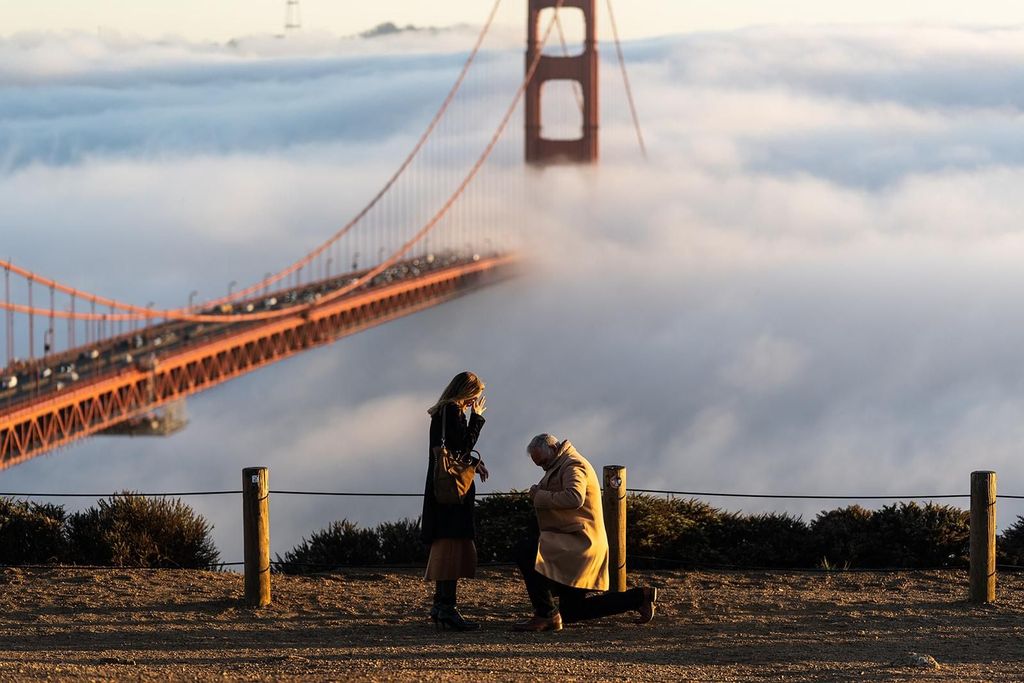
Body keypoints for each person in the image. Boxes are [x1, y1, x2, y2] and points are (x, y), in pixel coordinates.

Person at [513, 434, 657, 631]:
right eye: (539, 465)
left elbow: (574, 497)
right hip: (574, 543)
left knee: (527, 550)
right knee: (572, 611)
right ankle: (640, 597)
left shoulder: (573, 465)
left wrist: (540, 495)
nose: (543, 468)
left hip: (579, 546)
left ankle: (546, 614)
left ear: (554, 449)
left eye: (544, 463)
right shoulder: (561, 463)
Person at [422, 371, 489, 631]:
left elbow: (453, 450)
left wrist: (475, 462)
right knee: (451, 544)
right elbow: (463, 444)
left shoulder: (441, 412)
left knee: (446, 545)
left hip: (440, 487)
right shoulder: (452, 411)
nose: (476, 400)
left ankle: (441, 605)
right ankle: (447, 608)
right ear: (465, 391)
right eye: (475, 394)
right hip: (451, 493)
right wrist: (478, 418)